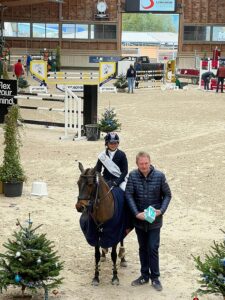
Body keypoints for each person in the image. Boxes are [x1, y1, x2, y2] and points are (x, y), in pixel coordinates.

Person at [125, 151, 172, 291]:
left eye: (146, 163)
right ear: (137, 164)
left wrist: (161, 210)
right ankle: (144, 275)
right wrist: (136, 213)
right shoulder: (132, 176)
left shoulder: (160, 176)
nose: (144, 166)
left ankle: (155, 277)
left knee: (152, 248)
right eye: (141, 164)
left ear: (150, 162)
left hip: (154, 220)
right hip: (139, 220)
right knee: (142, 248)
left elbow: (168, 195)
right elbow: (128, 195)